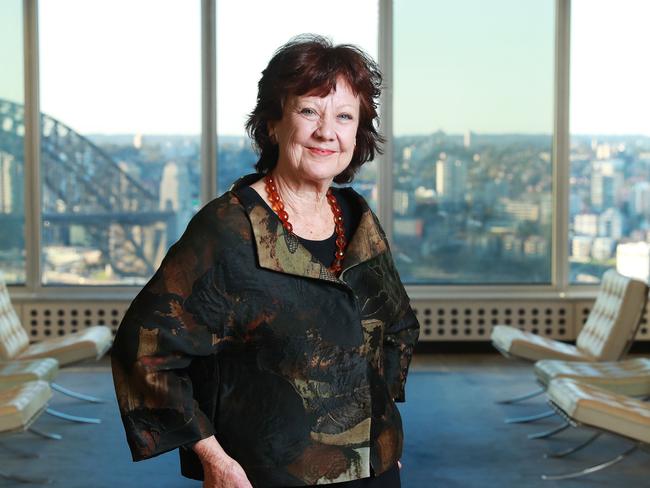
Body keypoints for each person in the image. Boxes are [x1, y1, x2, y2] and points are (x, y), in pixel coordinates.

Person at [111, 34, 420, 488]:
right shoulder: (228, 228)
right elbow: (144, 348)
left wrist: (385, 436)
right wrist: (213, 459)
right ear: (273, 123)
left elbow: (394, 329)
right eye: (309, 111)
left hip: (372, 472)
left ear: (359, 132)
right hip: (265, 475)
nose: (326, 132)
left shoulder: (357, 217)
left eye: (344, 116)